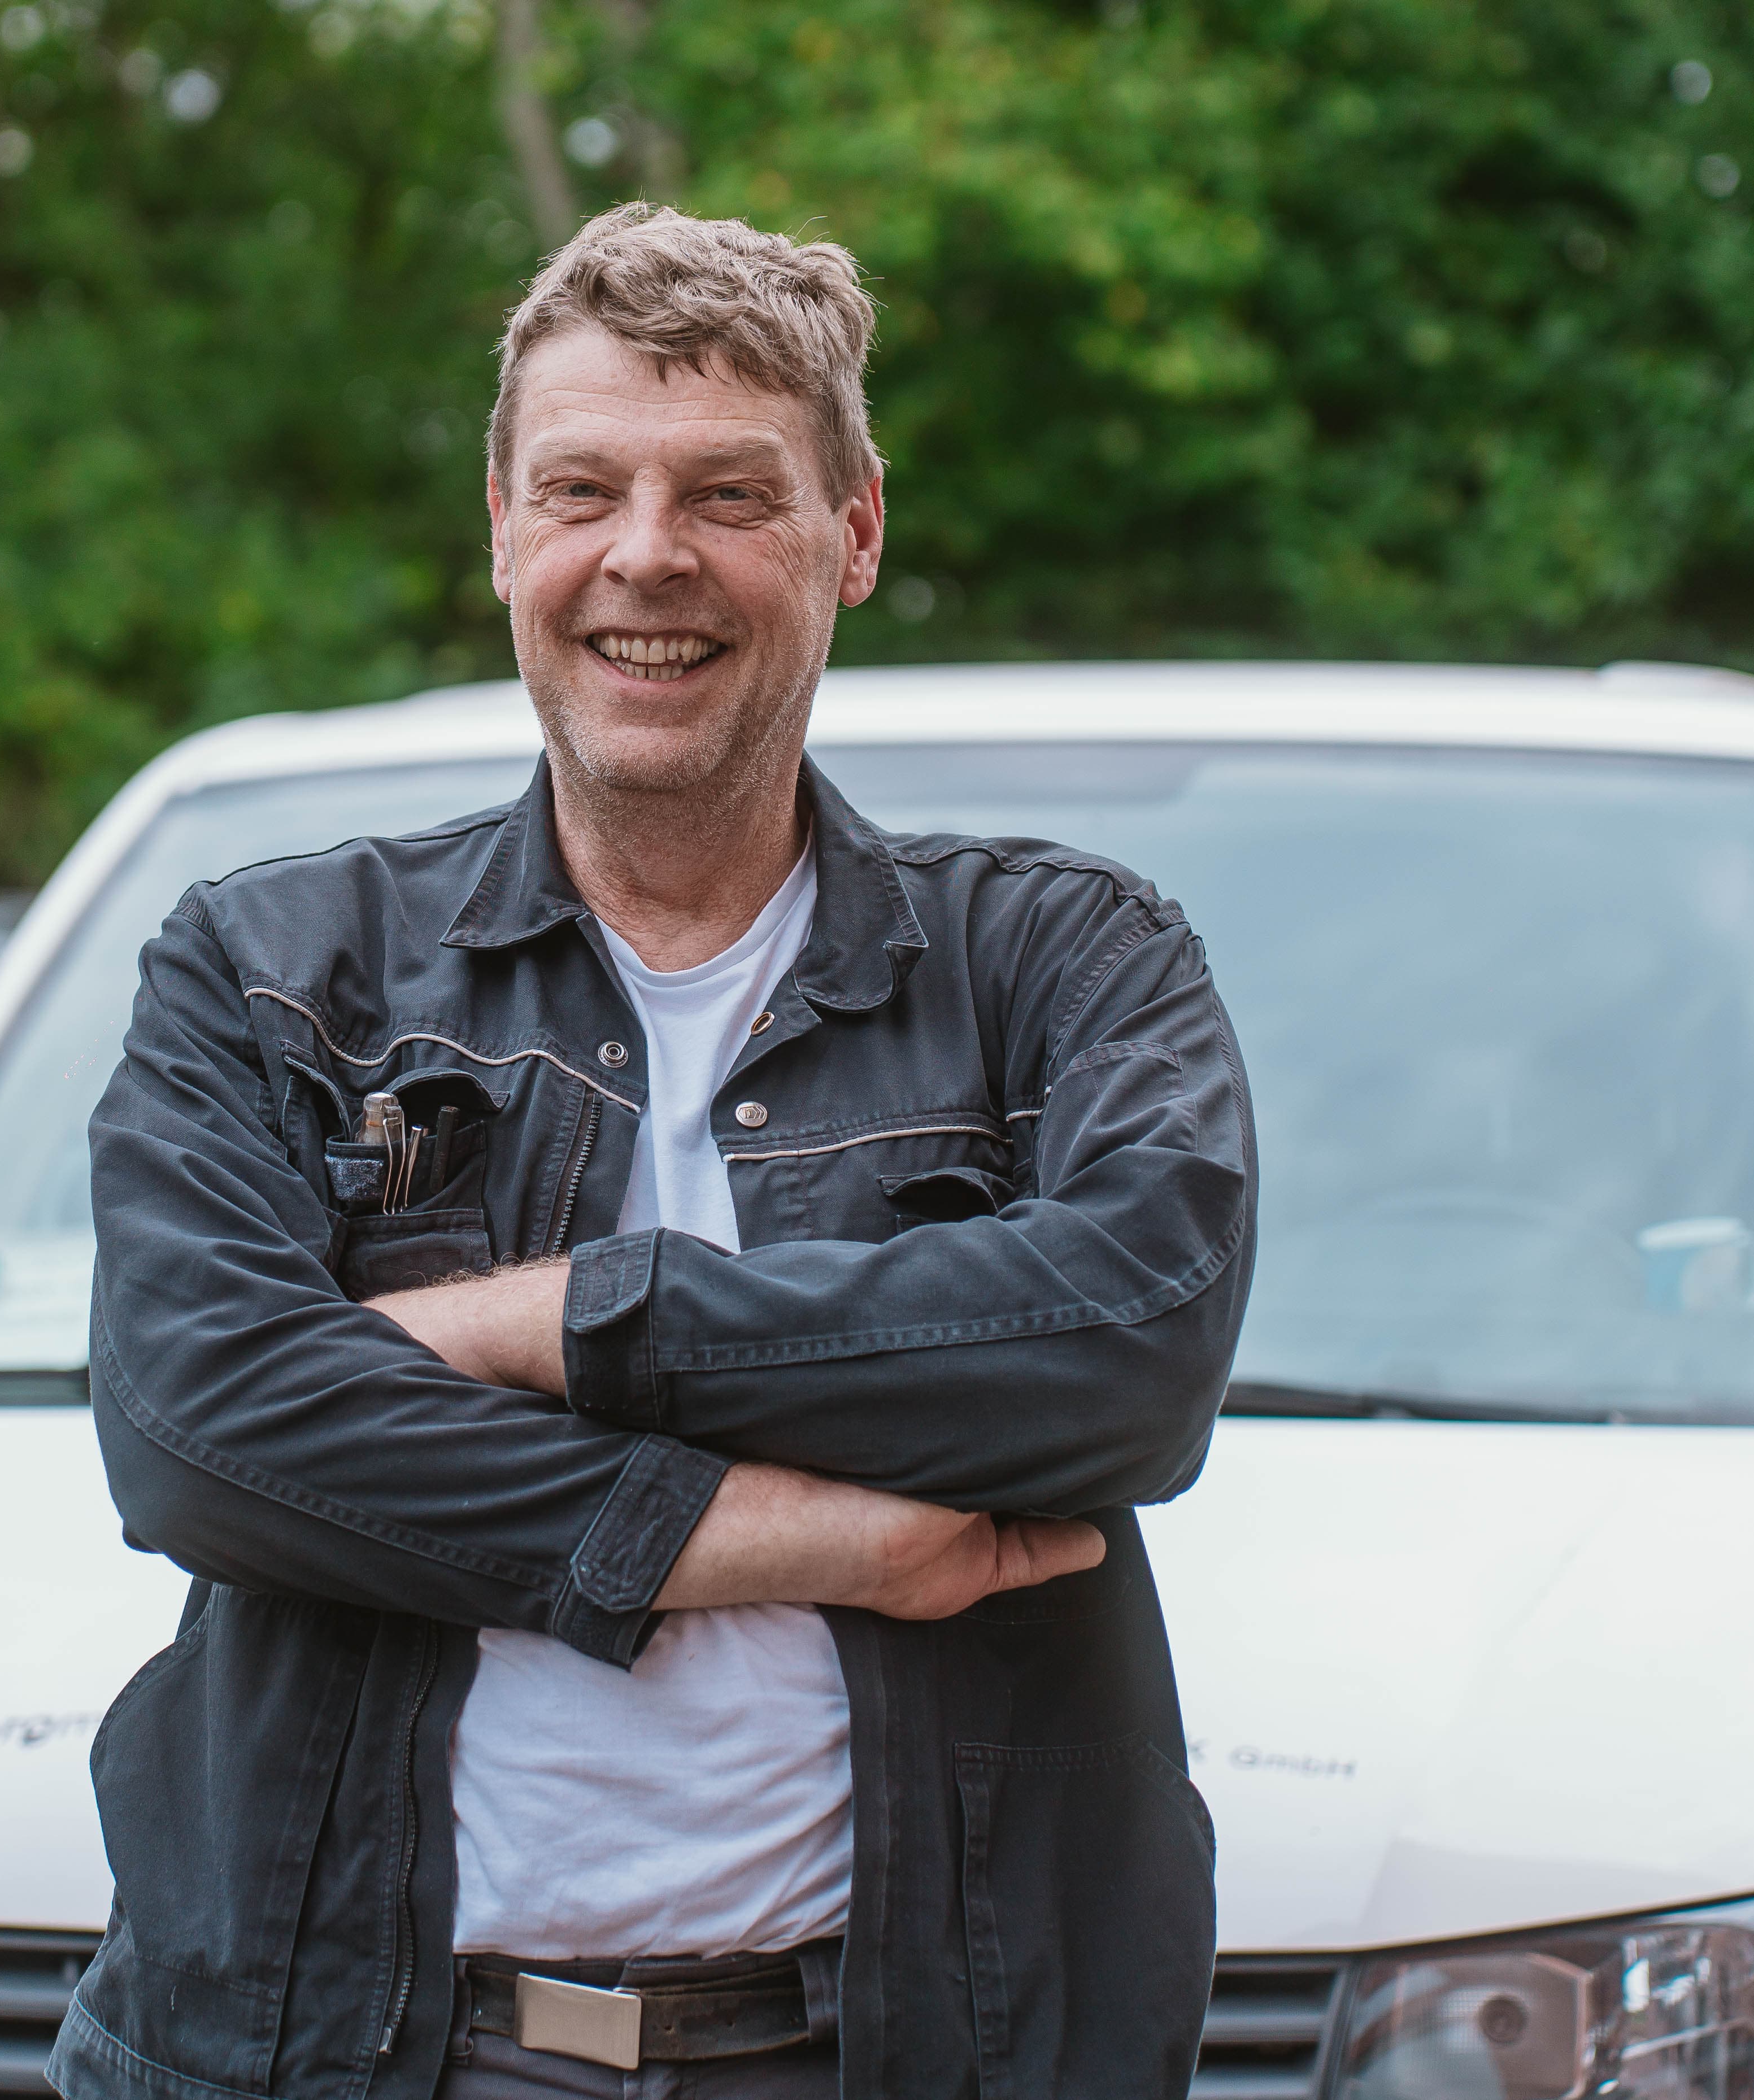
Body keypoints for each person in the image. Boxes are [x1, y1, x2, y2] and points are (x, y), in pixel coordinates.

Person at [65, 203, 1255, 2100]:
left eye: (728, 494)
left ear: (856, 532)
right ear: (501, 531)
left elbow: (1131, 1346)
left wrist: (544, 1321)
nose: (645, 556)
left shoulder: (1064, 962)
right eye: (582, 489)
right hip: (344, 2057)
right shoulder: (276, 971)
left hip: (900, 2059)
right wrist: (820, 1540)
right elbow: (198, 1426)